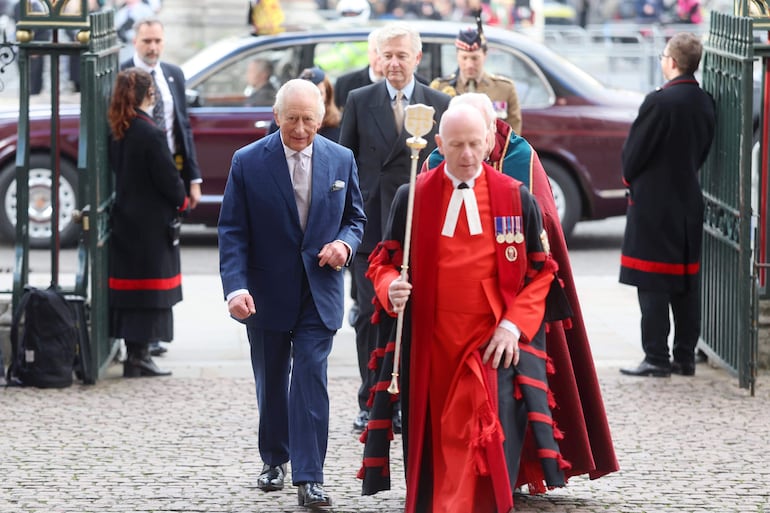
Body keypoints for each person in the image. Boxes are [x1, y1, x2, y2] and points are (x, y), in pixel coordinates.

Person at [362, 103, 566, 512]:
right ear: (439, 144)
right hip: (431, 345)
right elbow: (382, 262)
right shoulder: (412, 197)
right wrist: (391, 287)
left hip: (491, 343)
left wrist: (513, 326)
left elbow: (542, 274)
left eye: (476, 144)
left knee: (486, 437)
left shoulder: (514, 197)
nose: (469, 155)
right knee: (439, 440)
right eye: (457, 145)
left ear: (489, 141)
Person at [218, 78, 366, 509]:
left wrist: (345, 245)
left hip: (319, 291)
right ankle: (274, 458)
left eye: (308, 120)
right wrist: (235, 288)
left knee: (310, 379)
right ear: (277, 116)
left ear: (321, 118)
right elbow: (232, 232)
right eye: (292, 119)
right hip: (264, 292)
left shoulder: (341, 158)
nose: (300, 129)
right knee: (272, 378)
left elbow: (356, 218)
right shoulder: (247, 162)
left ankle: (310, 476)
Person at [338, 22, 450, 434]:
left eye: (401, 55)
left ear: (417, 58)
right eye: (386, 55)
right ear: (376, 57)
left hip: (418, 229)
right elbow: (344, 165)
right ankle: (371, 400)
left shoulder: (438, 101)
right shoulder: (359, 99)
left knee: (415, 316)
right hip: (370, 229)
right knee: (370, 315)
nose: (393, 63)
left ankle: (407, 399)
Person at [619, 32, 716, 378]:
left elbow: (633, 156)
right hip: (688, 198)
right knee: (686, 283)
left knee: (653, 283)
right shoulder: (706, 101)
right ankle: (685, 356)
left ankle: (657, 357)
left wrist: (629, 180)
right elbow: (703, 151)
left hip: (654, 205)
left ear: (672, 62)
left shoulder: (659, 102)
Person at [122, 17, 203, 357]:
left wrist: (193, 179)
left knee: (164, 260)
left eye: (157, 41)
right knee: (147, 261)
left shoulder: (173, 74)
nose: (153, 47)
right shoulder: (122, 74)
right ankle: (143, 338)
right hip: (138, 180)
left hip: (170, 173)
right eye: (146, 42)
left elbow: (181, 126)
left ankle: (154, 334)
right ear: (135, 42)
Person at [107, 68, 189, 378]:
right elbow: (168, 178)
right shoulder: (150, 132)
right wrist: (182, 200)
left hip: (126, 218)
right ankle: (139, 357)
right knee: (148, 294)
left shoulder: (118, 128)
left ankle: (135, 353)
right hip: (152, 223)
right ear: (147, 94)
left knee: (132, 294)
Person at [430, 15, 522, 134]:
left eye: (475, 58)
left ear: (485, 55)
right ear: (457, 56)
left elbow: (513, 135)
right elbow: (433, 132)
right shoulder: (439, 88)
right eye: (464, 58)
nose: (469, 64)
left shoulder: (505, 89)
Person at [268, 67, 342, 142]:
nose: (300, 130)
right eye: (292, 118)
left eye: (319, 94)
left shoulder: (339, 124)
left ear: (328, 95)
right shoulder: (281, 122)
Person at [334, 28, 384, 110]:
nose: (380, 57)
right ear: (369, 52)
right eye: (376, 51)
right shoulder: (344, 84)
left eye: (385, 53)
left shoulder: (400, 85)